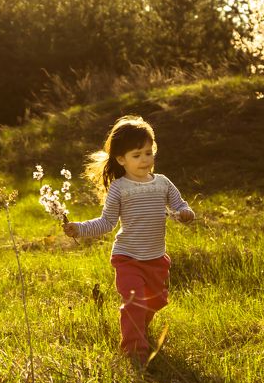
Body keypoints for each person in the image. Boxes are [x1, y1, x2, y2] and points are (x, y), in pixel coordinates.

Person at [63, 115, 195, 365]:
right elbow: (106, 223)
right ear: (121, 159)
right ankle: (135, 352)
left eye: (148, 152)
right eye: (137, 155)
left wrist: (186, 214)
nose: (145, 160)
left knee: (156, 301)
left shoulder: (163, 183)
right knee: (134, 303)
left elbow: (179, 205)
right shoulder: (119, 189)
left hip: (156, 258)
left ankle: (139, 329)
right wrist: (79, 229)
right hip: (128, 259)